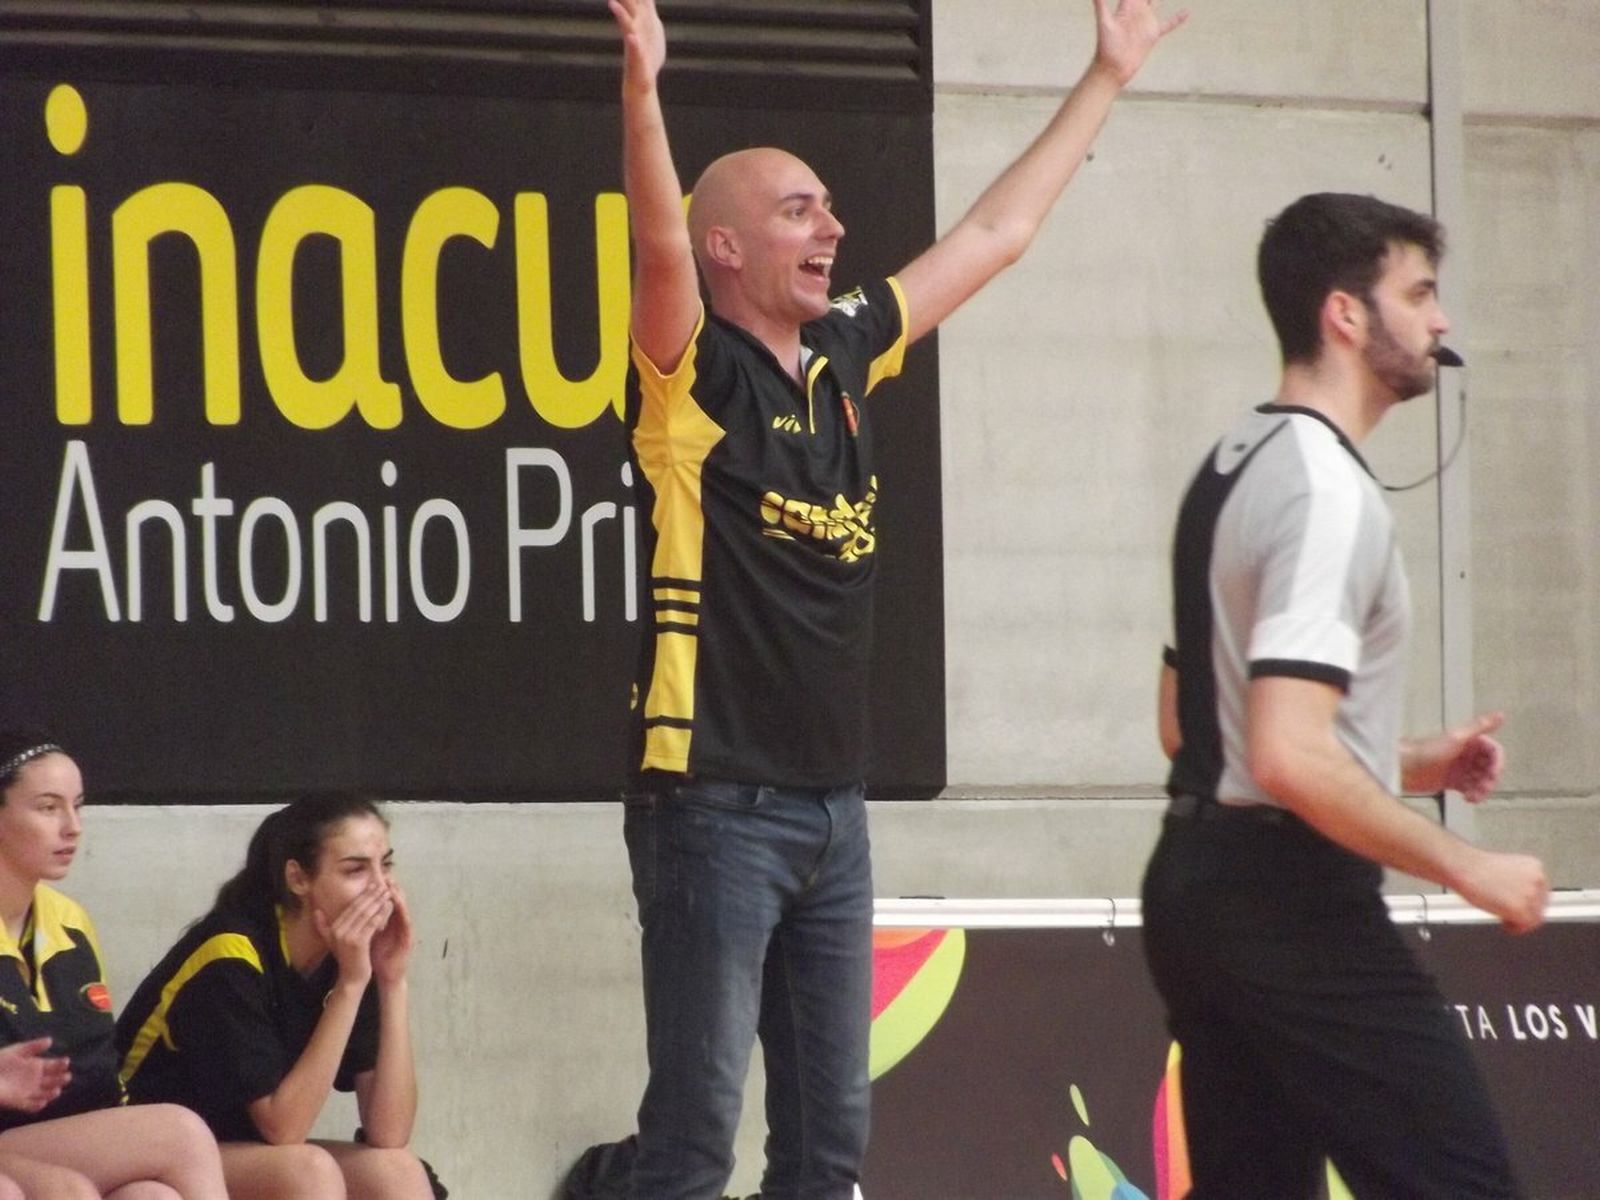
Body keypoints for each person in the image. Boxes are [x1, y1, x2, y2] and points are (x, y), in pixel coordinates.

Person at [608, 1, 1184, 1196]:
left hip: (834, 817)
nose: (833, 226)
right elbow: (657, 248)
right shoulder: (692, 390)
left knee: (828, 1150)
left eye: (826, 206)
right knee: (694, 1137)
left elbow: (994, 231)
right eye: (798, 211)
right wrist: (642, 90)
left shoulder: (848, 354)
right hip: (711, 808)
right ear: (730, 250)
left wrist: (1106, 75)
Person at [1141, 192, 1551, 1198]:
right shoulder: (1326, 492)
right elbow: (1283, 757)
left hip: (1197, 885)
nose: (1440, 321)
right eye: (1419, 293)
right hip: (1291, 904)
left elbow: (1187, 726)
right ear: (1345, 315)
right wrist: (1466, 866)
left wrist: (1401, 761)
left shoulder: (1232, 464)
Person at [116, 792, 434, 1200]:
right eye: (355, 870)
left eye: (385, 865)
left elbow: (389, 1132)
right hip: (152, 1150)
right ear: (298, 879)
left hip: (242, 1149)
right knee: (307, 1171)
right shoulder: (231, 953)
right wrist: (351, 986)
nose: (381, 888)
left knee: (397, 1170)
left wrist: (392, 981)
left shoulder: (351, 954)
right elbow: (283, 1127)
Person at [0, 730, 230, 1199]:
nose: (73, 826)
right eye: (48, 807)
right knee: (178, 1135)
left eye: (78, 805)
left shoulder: (72, 921)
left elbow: (98, 1066)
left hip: (62, 1133)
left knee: (153, 1197)